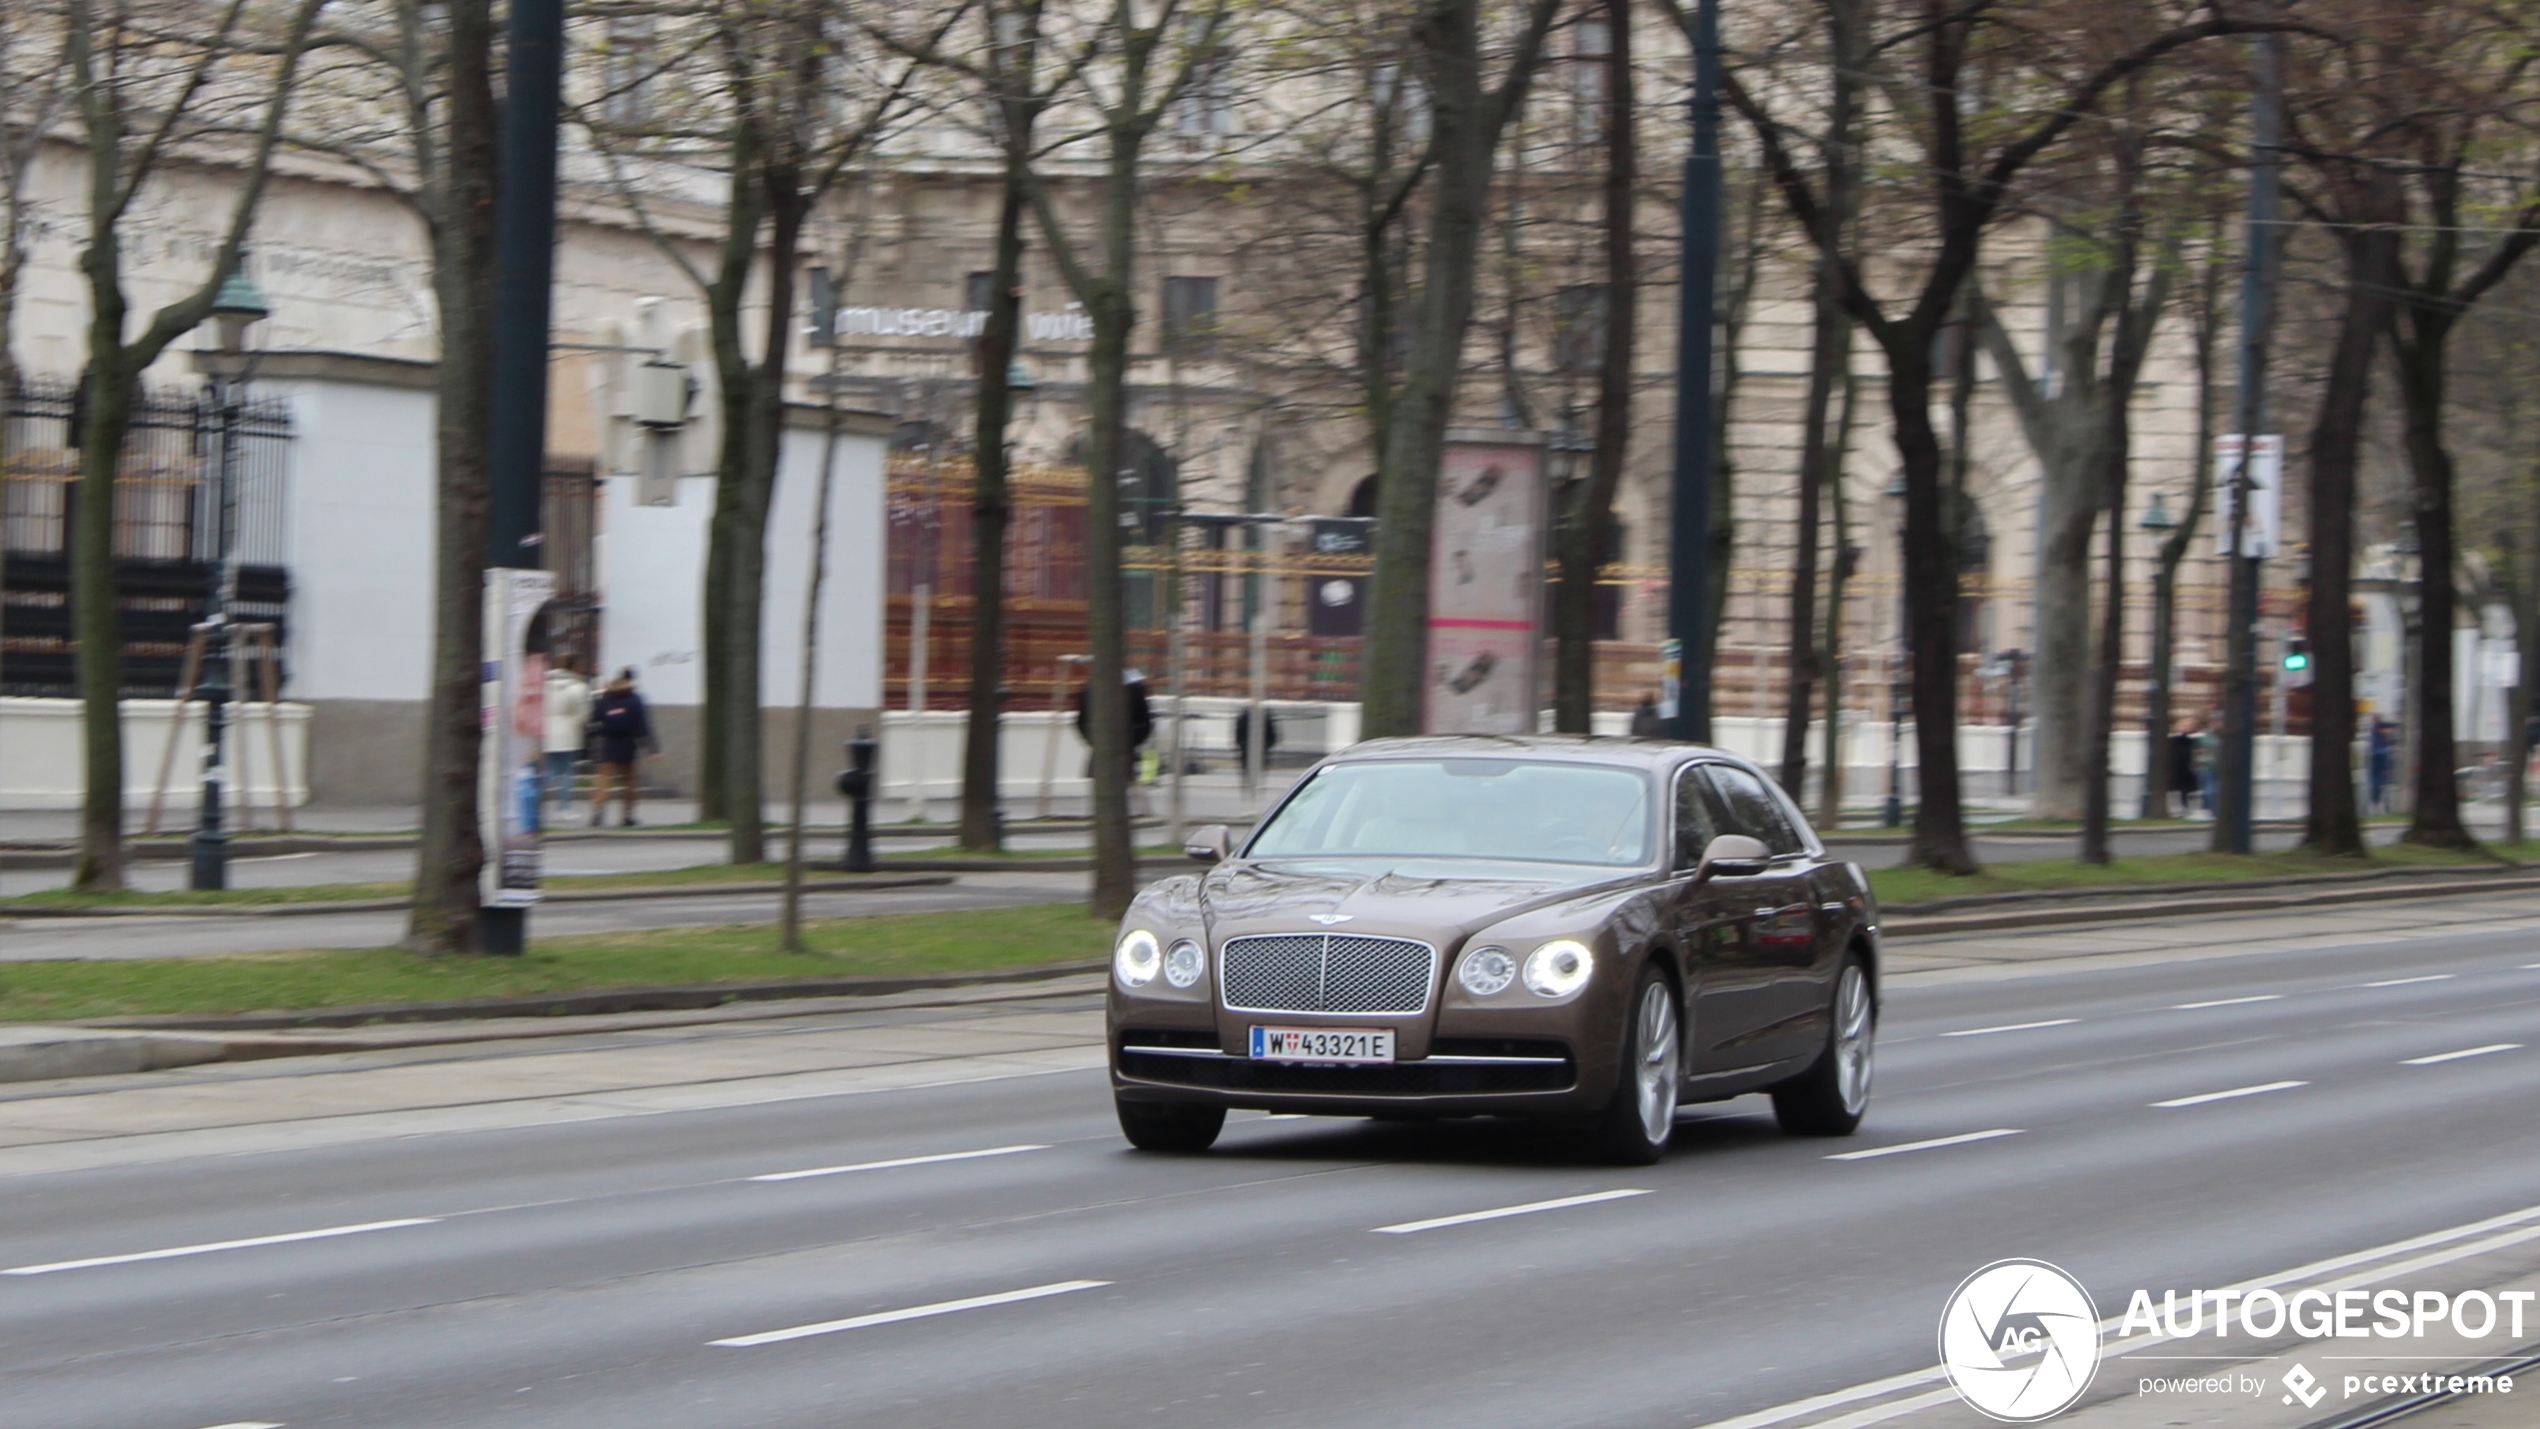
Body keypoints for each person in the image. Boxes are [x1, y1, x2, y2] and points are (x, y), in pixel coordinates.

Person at [588, 667, 657, 827]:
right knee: (629, 781)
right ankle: (627, 815)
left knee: (603, 779)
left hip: (609, 744)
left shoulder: (606, 699)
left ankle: (598, 810)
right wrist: (652, 747)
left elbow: (595, 720)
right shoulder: (636, 699)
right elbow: (643, 725)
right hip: (628, 745)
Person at [1075, 667, 1156, 786]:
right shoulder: (1135, 687)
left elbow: (1081, 722)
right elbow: (1145, 722)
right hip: (1122, 750)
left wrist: (1095, 741)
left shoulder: (1091, 686)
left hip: (1105, 750)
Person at [544, 663, 592, 818]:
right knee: (566, 773)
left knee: (549, 771)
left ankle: (537, 805)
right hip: (568, 734)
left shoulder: (544, 687)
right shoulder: (577, 688)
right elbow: (584, 714)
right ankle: (564, 808)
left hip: (547, 733)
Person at [2165, 717, 2198, 819]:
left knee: (2184, 790)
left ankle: (2184, 807)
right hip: (2177, 767)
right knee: (2178, 789)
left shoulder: (2190, 740)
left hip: (2185, 767)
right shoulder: (2175, 739)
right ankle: (2180, 807)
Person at [2368, 716, 2395, 814]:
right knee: (2380, 786)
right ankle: (2380, 805)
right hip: (2379, 763)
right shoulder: (2379, 737)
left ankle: (2378, 804)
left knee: (2379, 786)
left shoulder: (2375, 736)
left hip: (2378, 764)